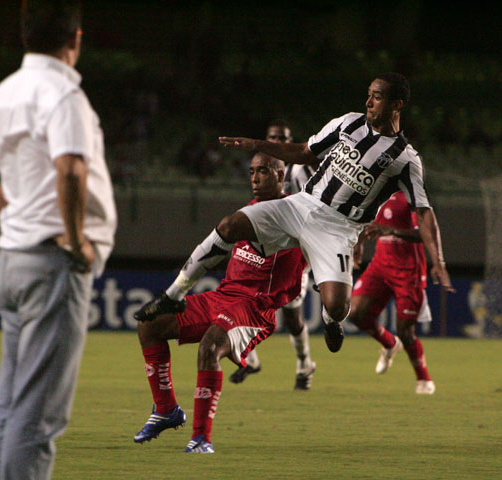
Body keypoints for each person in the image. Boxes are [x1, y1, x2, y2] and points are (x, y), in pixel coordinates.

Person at [135, 72, 454, 359]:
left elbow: (424, 213)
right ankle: (172, 296)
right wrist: (257, 145)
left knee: (337, 306)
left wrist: (437, 261)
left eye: (378, 96)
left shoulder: (405, 159)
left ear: (397, 104)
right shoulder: (348, 123)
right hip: (301, 205)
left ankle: (331, 322)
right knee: (229, 226)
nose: (368, 101)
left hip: (338, 228)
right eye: (369, 93)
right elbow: (304, 152)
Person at [0, 1, 117, 478]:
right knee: (39, 417)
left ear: (24, 37)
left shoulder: (2, 94)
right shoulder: (64, 96)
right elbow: (71, 169)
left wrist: (12, 212)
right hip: (51, 262)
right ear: (75, 39)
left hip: (14, 260)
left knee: (12, 406)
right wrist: (76, 239)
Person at [133, 152, 306, 453]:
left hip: (255, 308)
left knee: (210, 346)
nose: (254, 178)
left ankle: (201, 438)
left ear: (281, 176)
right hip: (223, 297)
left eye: (263, 171)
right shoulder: (247, 213)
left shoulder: (298, 215)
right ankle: (166, 410)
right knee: (149, 324)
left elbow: (329, 240)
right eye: (252, 171)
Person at [229, 120, 318, 390]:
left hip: (293, 247)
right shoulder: (262, 164)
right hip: (266, 242)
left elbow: (313, 206)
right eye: (272, 137)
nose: (277, 142)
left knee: (291, 313)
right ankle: (250, 360)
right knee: (244, 300)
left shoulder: (301, 168)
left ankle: (305, 364)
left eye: (282, 138)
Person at [348, 190, 438, 394]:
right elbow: (366, 224)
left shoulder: (413, 195)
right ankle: (389, 344)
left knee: (406, 330)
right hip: (380, 264)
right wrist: (359, 243)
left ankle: (424, 379)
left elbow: (425, 233)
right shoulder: (377, 190)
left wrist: (392, 230)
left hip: (408, 270)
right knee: (355, 312)